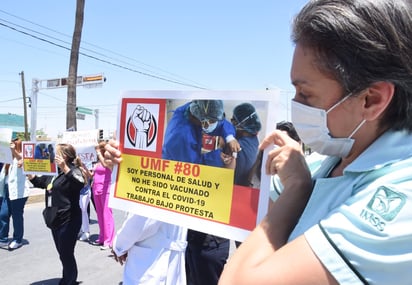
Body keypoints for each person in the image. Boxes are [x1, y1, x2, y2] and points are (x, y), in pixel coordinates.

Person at [219, 0, 412, 284]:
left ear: (372, 100)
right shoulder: (324, 160)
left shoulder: (398, 200)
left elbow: (238, 280)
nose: (296, 106)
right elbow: (255, 221)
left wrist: (297, 188)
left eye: (306, 95)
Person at [107, 99, 240, 285]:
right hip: (157, 263)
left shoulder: (192, 112)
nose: (208, 127)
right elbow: (145, 218)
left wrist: (229, 137)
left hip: (163, 258)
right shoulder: (180, 139)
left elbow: (221, 123)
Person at [29, 143, 86, 285]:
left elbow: (80, 183)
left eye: (57, 152)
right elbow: (41, 182)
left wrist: (65, 168)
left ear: (64, 156)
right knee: (62, 252)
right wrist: (29, 174)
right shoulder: (55, 172)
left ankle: (70, 280)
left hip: (69, 218)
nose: (53, 154)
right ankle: (67, 277)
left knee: (66, 253)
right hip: (55, 218)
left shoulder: (74, 170)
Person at [0, 138, 29, 250]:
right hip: (7, 190)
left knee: (17, 216)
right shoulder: (8, 159)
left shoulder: (23, 158)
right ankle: (2, 238)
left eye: (14, 145)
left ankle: (17, 239)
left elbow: (21, 159)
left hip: (19, 192)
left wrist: (14, 151)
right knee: (3, 214)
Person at [89, 140, 115, 250]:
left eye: (100, 149)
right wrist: (82, 166)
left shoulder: (109, 161)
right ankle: (102, 237)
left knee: (106, 215)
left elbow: (106, 165)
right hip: (96, 189)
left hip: (106, 189)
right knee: (99, 214)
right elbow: (91, 175)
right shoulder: (97, 162)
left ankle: (109, 240)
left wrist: (99, 152)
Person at [78, 162, 93, 241]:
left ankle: (86, 231)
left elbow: (86, 181)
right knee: (78, 212)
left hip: (84, 192)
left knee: (83, 211)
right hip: (77, 193)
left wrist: (83, 169)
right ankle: (79, 230)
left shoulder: (84, 168)